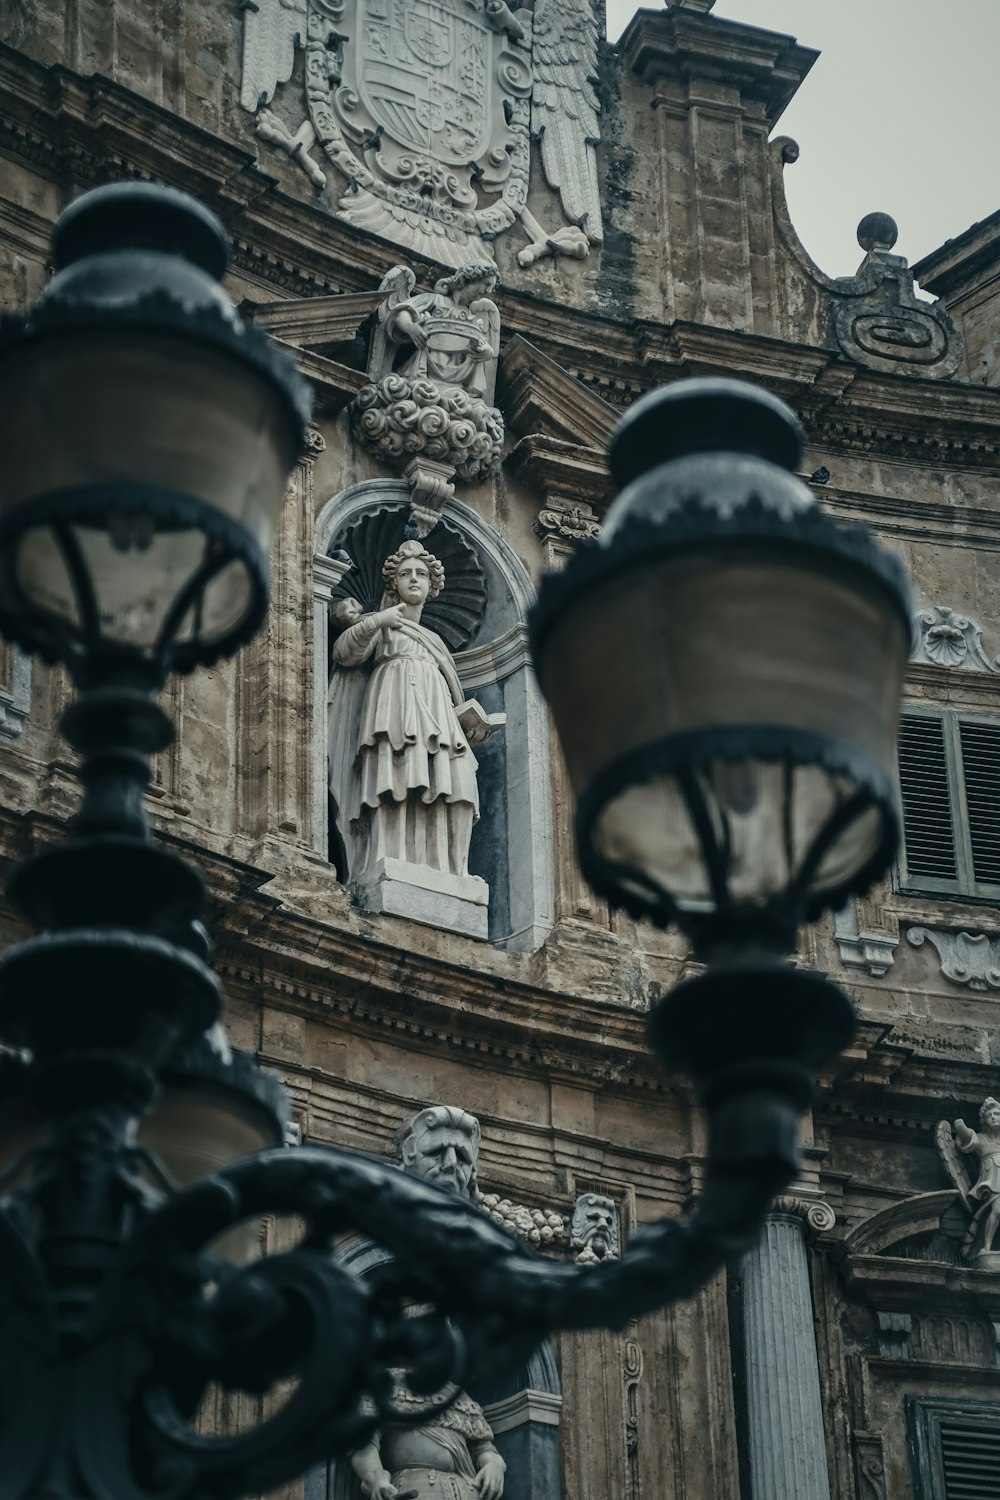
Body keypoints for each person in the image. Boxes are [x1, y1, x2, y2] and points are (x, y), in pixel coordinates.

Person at [349, 1105, 505, 1500]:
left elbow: (486, 1449)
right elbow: (364, 1448)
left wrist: (495, 1466)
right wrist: (377, 1480)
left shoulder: (462, 1399)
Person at [328, 540, 480, 880]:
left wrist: (469, 724)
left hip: (436, 713)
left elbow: (451, 690)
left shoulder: (435, 641)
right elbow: (344, 654)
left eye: (421, 574)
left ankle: (451, 869)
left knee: (455, 782)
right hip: (393, 702)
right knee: (395, 774)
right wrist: (375, 621)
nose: (414, 579)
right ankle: (385, 856)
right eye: (406, 573)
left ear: (432, 586)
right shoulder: (382, 623)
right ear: (393, 584)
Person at [956, 1096, 1000, 1256]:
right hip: (991, 1181)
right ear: (984, 1121)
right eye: (990, 1115)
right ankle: (986, 1247)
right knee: (998, 1210)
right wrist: (960, 1125)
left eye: (997, 1114)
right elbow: (968, 1139)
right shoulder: (981, 1139)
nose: (994, 1117)